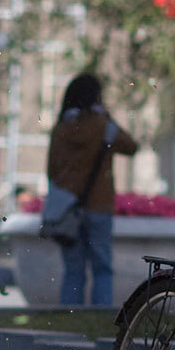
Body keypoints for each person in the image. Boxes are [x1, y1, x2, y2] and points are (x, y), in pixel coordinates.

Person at [47, 73, 138, 305]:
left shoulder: (61, 129)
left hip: (69, 206)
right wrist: (107, 117)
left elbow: (52, 169)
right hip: (99, 205)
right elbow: (131, 146)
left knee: (73, 270)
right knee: (102, 268)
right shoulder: (103, 126)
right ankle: (100, 316)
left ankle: (70, 318)